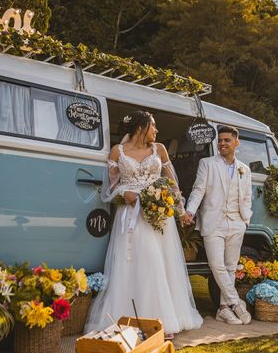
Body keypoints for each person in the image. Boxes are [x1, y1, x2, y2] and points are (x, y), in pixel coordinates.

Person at [84, 111, 203, 336]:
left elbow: (171, 184)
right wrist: (124, 192)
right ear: (141, 127)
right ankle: (128, 317)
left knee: (157, 262)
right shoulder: (117, 151)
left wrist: (179, 211)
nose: (156, 131)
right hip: (130, 215)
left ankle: (162, 319)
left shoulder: (159, 149)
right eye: (153, 126)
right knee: (132, 264)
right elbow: (109, 188)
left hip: (158, 215)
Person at [183, 126, 253, 325]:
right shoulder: (207, 164)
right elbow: (198, 190)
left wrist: (245, 220)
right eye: (220, 140)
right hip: (213, 222)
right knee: (217, 265)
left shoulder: (244, 169)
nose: (222, 143)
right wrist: (190, 211)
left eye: (226, 140)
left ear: (236, 143)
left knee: (231, 266)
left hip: (237, 222)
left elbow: (247, 196)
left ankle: (223, 308)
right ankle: (236, 303)